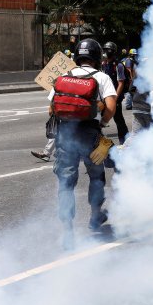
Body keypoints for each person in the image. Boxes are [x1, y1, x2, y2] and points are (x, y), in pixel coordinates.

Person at [50, 39, 117, 250]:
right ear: (96, 56)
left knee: (66, 183)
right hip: (91, 135)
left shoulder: (64, 76)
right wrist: (104, 122)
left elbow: (52, 108)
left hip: (65, 134)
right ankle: (95, 216)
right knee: (96, 176)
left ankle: (68, 232)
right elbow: (111, 107)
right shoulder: (102, 77)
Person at [101, 42, 129, 145]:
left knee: (119, 120)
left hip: (115, 97)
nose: (105, 52)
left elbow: (121, 83)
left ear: (112, 52)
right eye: (104, 50)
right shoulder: (104, 64)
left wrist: (115, 98)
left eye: (107, 50)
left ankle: (125, 142)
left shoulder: (119, 65)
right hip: (106, 97)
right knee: (100, 119)